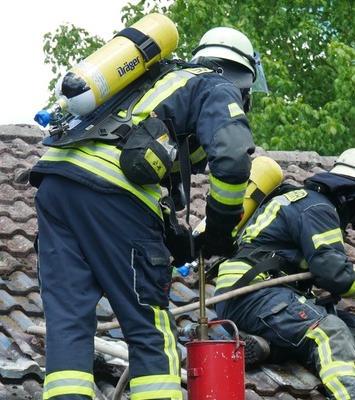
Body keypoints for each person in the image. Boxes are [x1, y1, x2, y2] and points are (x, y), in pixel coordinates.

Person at [29, 25, 265, 400]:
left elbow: (140, 164)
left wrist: (175, 237)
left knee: (68, 322)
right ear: (244, 79)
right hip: (110, 194)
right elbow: (234, 158)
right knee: (149, 328)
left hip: (56, 183)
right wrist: (220, 227)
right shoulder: (214, 85)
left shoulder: (152, 81)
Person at [213, 148, 355, 400]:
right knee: (330, 331)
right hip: (255, 294)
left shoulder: (312, 204)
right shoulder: (317, 209)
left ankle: (265, 346)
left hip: (255, 297)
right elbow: (338, 278)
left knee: (354, 328)